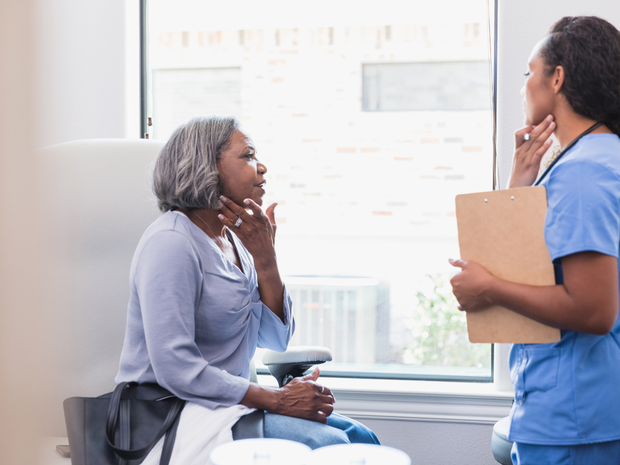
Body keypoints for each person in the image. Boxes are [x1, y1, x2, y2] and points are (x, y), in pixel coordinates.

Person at [115, 115, 378, 463]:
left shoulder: (237, 243)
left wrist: (266, 258)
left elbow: (275, 339)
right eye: (249, 155)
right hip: (170, 414)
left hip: (225, 406)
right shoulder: (171, 242)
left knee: (362, 438)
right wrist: (276, 399)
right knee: (331, 449)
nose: (262, 167)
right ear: (206, 167)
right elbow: (176, 368)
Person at [450, 16, 620, 465]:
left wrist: (487, 288)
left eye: (529, 73)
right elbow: (531, 264)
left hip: (575, 420)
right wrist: (520, 184)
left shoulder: (582, 174)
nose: (525, 85)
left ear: (557, 78)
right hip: (588, 410)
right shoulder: (599, 159)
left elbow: (594, 310)